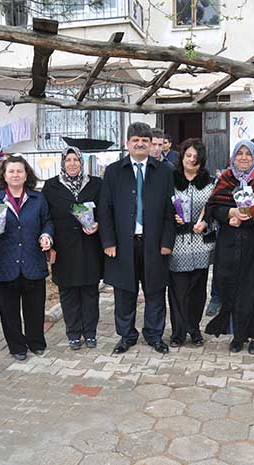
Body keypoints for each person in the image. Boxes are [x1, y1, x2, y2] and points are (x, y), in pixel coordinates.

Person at [98, 122, 176, 355]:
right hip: (123, 244)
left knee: (155, 291)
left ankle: (154, 335)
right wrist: (108, 242)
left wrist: (166, 242)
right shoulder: (113, 171)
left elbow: (170, 210)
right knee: (124, 291)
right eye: (135, 140)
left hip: (154, 243)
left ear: (152, 144)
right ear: (127, 144)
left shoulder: (163, 171)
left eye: (145, 140)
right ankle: (126, 335)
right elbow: (105, 209)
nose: (140, 143)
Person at [205, 139, 254, 354]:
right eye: (240, 153)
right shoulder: (226, 178)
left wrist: (249, 213)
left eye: (248, 153)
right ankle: (237, 335)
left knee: (253, 291)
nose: (244, 157)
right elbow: (213, 207)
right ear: (233, 156)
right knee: (231, 288)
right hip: (229, 244)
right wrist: (230, 214)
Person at [0, 155, 54, 361]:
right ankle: (17, 346)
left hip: (32, 260)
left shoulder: (38, 199)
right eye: (11, 171)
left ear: (26, 174)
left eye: (19, 171)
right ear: (4, 175)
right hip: (4, 262)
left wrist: (47, 235)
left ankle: (36, 342)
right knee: (9, 310)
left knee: (35, 307)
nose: (15, 175)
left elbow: (47, 222)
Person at [42, 146, 103, 350]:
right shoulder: (51, 187)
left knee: (90, 292)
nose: (72, 164)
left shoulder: (96, 184)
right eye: (68, 160)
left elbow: (104, 211)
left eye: (76, 159)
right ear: (62, 163)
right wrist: (48, 243)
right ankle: (74, 333)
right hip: (64, 248)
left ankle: (91, 333)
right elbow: (46, 217)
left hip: (90, 247)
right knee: (68, 293)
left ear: (81, 161)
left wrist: (97, 225)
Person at [168, 138, 216, 347]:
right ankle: (178, 332)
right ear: (182, 156)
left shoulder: (210, 182)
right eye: (188, 155)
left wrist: (206, 222)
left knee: (197, 291)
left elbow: (215, 210)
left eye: (196, 157)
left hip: (200, 244)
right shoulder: (170, 180)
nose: (191, 160)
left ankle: (194, 329)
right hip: (178, 243)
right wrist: (172, 217)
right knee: (178, 290)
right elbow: (161, 207)